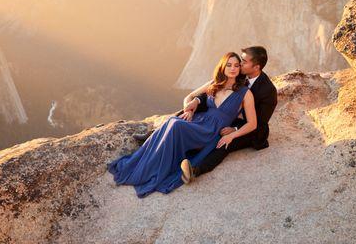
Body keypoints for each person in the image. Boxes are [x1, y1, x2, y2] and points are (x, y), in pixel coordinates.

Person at [107, 52, 257, 198]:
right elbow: (189, 97)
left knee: (176, 125)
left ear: (239, 69)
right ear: (222, 67)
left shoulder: (245, 93)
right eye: (229, 65)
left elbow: (252, 123)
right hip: (199, 120)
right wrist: (189, 109)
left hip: (210, 131)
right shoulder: (214, 84)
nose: (233, 68)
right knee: (172, 121)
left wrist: (233, 135)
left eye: (236, 65)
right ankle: (147, 163)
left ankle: (153, 168)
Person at [179, 46, 278, 183]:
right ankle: (163, 134)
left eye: (243, 62)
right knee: (194, 109)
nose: (239, 64)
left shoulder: (268, 91)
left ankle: (195, 170)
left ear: (256, 67)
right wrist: (196, 101)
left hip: (252, 129)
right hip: (229, 115)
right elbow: (214, 91)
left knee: (224, 142)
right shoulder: (240, 73)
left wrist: (234, 131)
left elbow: (259, 122)